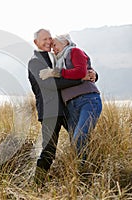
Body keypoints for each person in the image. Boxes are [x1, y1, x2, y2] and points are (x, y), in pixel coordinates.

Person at [27, 29, 97, 185]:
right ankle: (36, 185)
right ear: (36, 42)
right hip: (50, 112)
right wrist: (81, 79)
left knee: (80, 140)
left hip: (66, 108)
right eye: (43, 39)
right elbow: (49, 85)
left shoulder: (57, 56)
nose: (48, 42)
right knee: (49, 151)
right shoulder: (34, 61)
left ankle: (84, 178)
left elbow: (75, 68)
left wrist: (93, 74)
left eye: (49, 39)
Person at [40, 33, 102, 162]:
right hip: (70, 105)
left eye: (55, 44)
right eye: (51, 46)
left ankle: (84, 170)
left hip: (87, 99)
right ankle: (84, 170)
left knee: (80, 137)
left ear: (66, 43)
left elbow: (81, 71)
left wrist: (56, 72)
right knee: (75, 141)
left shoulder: (74, 51)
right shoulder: (57, 62)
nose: (53, 48)